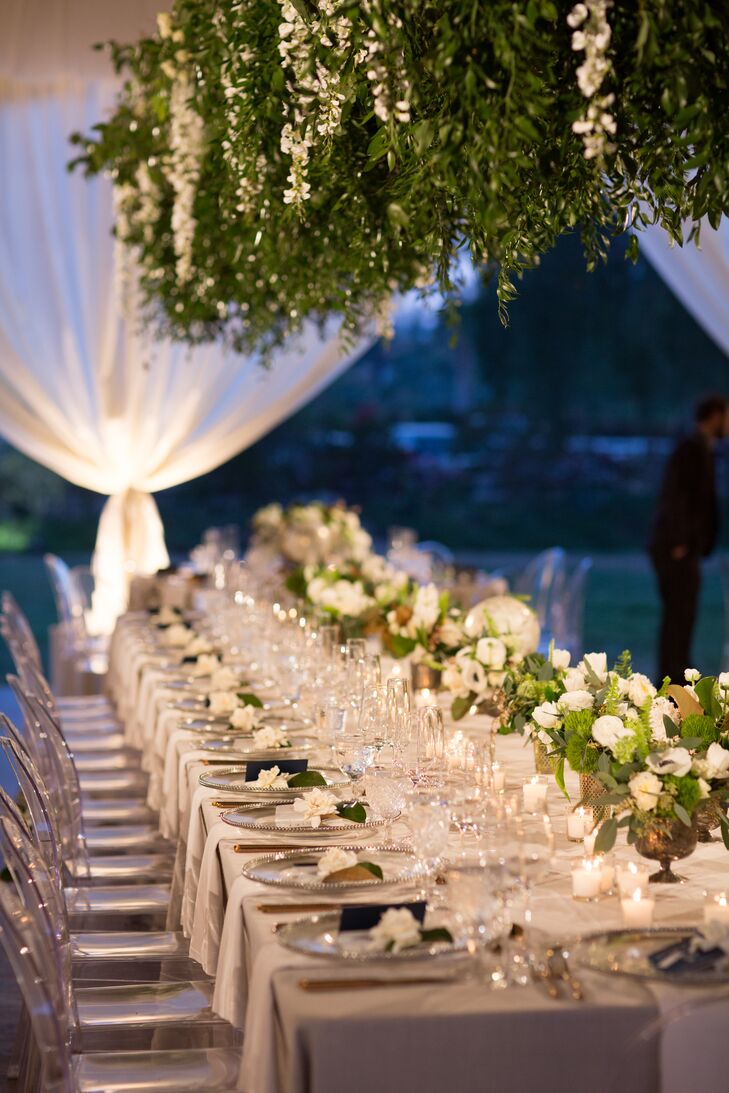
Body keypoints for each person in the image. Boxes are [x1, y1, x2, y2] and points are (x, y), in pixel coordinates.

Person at [649, 394, 727, 684]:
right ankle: (671, 678)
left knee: (684, 614)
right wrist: (680, 541)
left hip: (687, 547)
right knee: (677, 615)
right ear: (715, 415)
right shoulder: (690, 450)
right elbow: (677, 497)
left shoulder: (703, 449)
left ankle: (677, 674)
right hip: (675, 548)